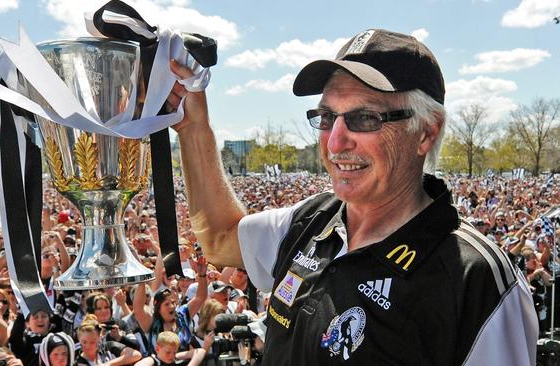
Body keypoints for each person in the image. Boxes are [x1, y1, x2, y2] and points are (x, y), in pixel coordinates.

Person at [169, 29, 537, 365]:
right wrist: (192, 126)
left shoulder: (477, 280)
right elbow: (219, 238)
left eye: (364, 118)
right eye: (327, 117)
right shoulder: (311, 220)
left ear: (425, 132)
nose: (334, 142)